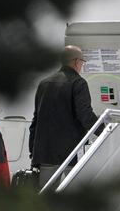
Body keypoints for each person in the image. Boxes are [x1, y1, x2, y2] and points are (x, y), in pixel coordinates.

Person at [29, 45, 99, 186]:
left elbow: (36, 120)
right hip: (70, 154)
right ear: (75, 61)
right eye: (82, 62)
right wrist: (104, 131)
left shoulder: (44, 84)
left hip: (45, 153)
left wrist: (33, 151)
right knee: (73, 198)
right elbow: (85, 114)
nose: (81, 65)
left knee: (46, 199)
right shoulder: (78, 83)